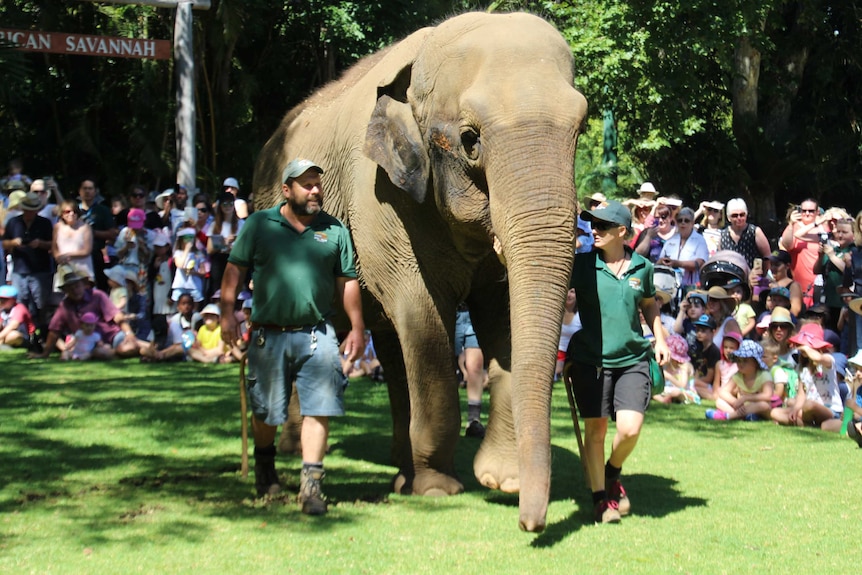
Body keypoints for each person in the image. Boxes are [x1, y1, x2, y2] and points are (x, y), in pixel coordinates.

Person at [219, 158, 365, 516]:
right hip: (269, 335)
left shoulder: (335, 230)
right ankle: (265, 464)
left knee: (320, 407)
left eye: (317, 183)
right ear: (287, 190)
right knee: (267, 413)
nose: (315, 190)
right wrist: (226, 314)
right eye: (306, 184)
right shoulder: (259, 225)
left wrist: (358, 327)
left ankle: (311, 486)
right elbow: (234, 270)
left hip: (318, 333)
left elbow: (347, 282)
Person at [567, 200, 669, 524]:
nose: (593, 231)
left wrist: (661, 338)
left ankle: (613, 471)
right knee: (596, 430)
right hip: (590, 360)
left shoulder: (643, 267)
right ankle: (600, 500)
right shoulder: (581, 265)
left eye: (602, 226)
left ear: (622, 232)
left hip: (633, 357)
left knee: (629, 429)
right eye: (592, 225)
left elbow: (650, 305)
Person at [31, 267, 141, 360]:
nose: (75, 290)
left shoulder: (98, 295)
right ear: (66, 291)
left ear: (84, 285)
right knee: (102, 352)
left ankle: (150, 351)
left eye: (77, 286)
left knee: (128, 347)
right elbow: (54, 331)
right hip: (90, 345)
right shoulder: (64, 306)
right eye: (70, 288)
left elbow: (117, 316)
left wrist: (129, 333)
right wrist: (45, 354)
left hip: (113, 336)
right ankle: (148, 352)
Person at [773, 323, 843, 431]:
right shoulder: (803, 368)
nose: (801, 348)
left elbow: (818, 358)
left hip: (829, 409)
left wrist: (807, 348)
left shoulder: (828, 360)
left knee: (809, 405)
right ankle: (806, 424)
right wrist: (795, 410)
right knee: (775, 412)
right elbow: (801, 394)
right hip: (807, 410)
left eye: (804, 345)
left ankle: (809, 423)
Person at [2, 192, 54, 325]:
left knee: (41, 303)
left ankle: (41, 330)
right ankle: (23, 329)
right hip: (19, 269)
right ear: (23, 208)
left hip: (41, 269)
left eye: (32, 210)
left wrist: (40, 243)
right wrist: (14, 242)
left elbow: (53, 243)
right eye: (27, 209)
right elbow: (4, 243)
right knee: (20, 301)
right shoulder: (14, 222)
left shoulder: (45, 223)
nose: (30, 212)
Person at [706, 340, 774, 421]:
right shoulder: (738, 375)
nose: (740, 364)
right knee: (719, 401)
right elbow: (723, 392)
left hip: (759, 408)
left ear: (756, 363)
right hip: (742, 407)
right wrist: (735, 402)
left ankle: (728, 416)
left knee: (763, 405)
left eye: (745, 361)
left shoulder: (764, 376)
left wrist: (746, 398)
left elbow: (768, 396)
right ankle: (744, 416)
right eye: (739, 360)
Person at [779, 198, 826, 307]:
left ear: (817, 212)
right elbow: (787, 245)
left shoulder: (823, 228)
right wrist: (791, 224)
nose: (807, 213)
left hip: (821, 285)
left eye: (811, 211)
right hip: (800, 288)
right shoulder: (795, 227)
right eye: (804, 211)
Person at [814, 217, 855, 332]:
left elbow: (851, 271)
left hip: (844, 304)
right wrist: (821, 256)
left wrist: (832, 256)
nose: (840, 235)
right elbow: (816, 271)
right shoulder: (833, 250)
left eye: (845, 232)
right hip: (829, 302)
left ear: (854, 234)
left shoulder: (854, 251)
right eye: (838, 231)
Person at [77, 178, 118, 292]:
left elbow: (112, 234)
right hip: (77, 255)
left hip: (96, 254)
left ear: (95, 191)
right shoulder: (73, 211)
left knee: (98, 289)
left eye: (90, 188)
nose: (87, 191)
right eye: (85, 188)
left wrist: (92, 232)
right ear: (80, 191)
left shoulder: (103, 210)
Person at [657, 206, 709, 290]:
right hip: (669, 286)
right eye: (680, 220)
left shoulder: (700, 240)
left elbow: (699, 264)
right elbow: (659, 261)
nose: (683, 223)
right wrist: (663, 262)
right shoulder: (671, 240)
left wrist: (677, 263)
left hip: (691, 287)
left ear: (692, 223)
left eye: (686, 220)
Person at [454, 304, 486, 438]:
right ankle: (444, 418)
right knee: (447, 366)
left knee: (475, 366)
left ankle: (474, 420)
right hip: (451, 312)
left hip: (473, 312)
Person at [206, 192, 244, 301]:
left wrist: (233, 245)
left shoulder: (242, 224)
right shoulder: (215, 225)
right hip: (219, 260)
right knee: (217, 293)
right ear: (220, 206)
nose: (228, 207)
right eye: (224, 204)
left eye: (230, 204)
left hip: (235, 260)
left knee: (235, 293)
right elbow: (209, 249)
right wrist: (224, 243)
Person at [52, 199, 95, 289]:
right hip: (64, 269)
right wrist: (57, 257)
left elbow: (87, 251)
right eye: (67, 211)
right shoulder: (57, 227)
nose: (71, 214)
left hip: (82, 268)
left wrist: (68, 255)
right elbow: (54, 246)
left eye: (74, 211)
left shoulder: (85, 227)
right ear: (62, 214)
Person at [719, 198, 771, 270]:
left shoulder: (754, 232)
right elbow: (719, 257)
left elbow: (767, 256)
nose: (739, 218)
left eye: (742, 215)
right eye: (735, 215)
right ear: (728, 217)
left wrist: (763, 276)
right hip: (730, 277)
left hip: (753, 278)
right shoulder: (723, 235)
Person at [750, 250, 803, 317]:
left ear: (787, 266)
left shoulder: (794, 286)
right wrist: (753, 288)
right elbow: (755, 307)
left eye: (777, 265)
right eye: (771, 264)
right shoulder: (767, 283)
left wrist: (778, 290)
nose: (772, 268)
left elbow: (795, 312)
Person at [653, 333, 695, 404]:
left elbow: (683, 386)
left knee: (677, 392)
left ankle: (669, 398)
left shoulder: (684, 367)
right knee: (653, 390)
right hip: (669, 390)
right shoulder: (667, 365)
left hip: (685, 392)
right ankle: (664, 400)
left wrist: (669, 377)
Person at [690, 314, 721, 401]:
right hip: (699, 382)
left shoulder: (714, 351)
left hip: (709, 385)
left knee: (691, 384)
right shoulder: (698, 348)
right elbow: (696, 370)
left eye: (703, 331)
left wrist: (694, 381)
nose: (699, 333)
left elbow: (709, 378)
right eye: (698, 330)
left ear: (713, 332)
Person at [555, 287, 582, 381]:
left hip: (571, 355)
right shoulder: (555, 313)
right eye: (567, 291)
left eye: (572, 292)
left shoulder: (580, 316)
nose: (569, 295)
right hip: (555, 352)